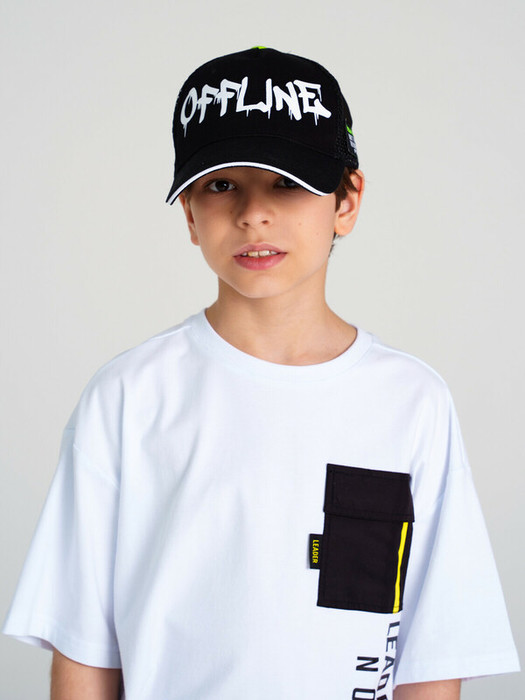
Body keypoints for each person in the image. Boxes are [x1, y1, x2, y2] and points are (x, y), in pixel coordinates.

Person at [2, 47, 520, 700]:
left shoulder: (411, 402)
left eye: (286, 183)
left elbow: (432, 657)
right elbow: (82, 649)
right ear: (189, 214)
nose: (252, 213)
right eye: (221, 186)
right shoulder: (130, 397)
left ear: (346, 200)